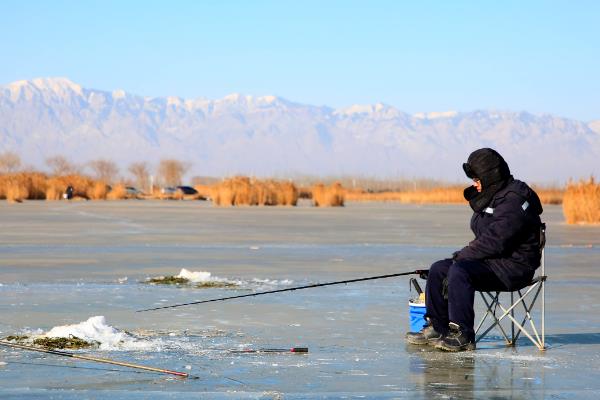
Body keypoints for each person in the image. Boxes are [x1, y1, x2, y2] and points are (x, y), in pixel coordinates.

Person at [405, 148, 543, 351]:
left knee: (459, 271)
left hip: (514, 268)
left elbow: (495, 241)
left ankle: (463, 335)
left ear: (490, 177)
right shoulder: (495, 195)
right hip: (493, 262)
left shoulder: (514, 200)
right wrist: (457, 260)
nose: (474, 184)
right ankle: (438, 327)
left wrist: (460, 258)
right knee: (439, 269)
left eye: (477, 179)